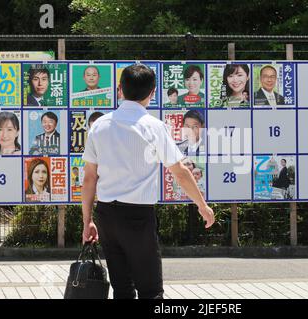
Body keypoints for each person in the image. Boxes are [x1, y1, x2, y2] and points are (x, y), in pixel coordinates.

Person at [81, 64, 215, 299]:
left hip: (106, 215)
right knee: (151, 290)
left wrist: (87, 221)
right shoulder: (154, 127)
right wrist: (202, 206)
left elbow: (90, 178)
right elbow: (181, 172)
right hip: (138, 216)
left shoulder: (100, 126)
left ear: (119, 89)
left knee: (121, 288)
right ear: (152, 93)